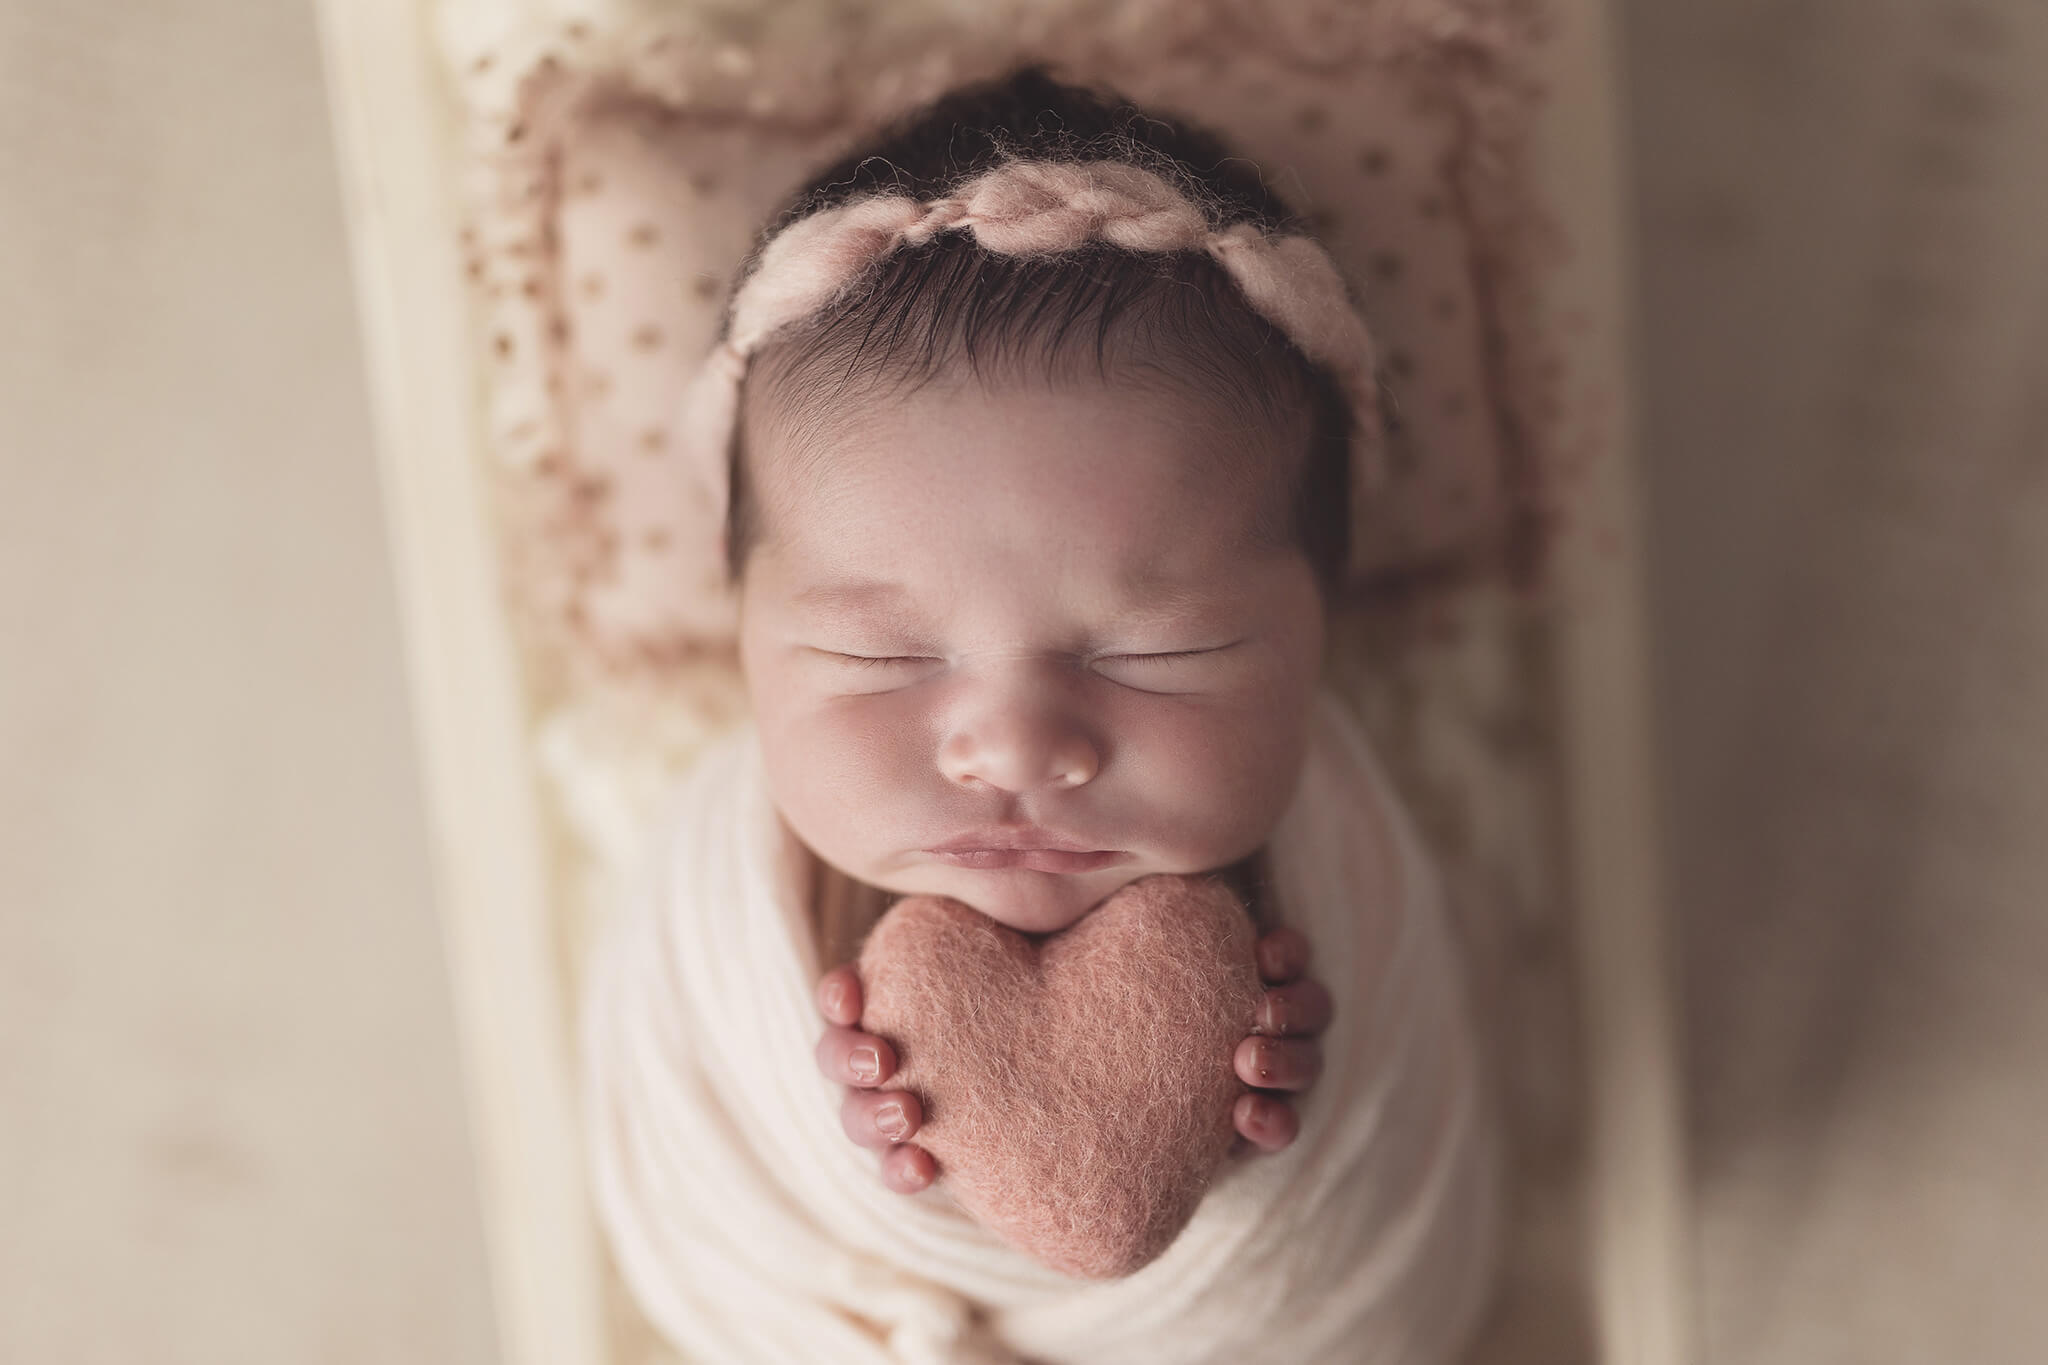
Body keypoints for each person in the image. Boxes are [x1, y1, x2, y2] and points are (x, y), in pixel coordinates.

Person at [585, 64, 1497, 1363]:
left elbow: (1368, 1163)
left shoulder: (1327, 884)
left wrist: (1246, 1103)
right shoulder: (733, 900)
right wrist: (840, 1104)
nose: (1012, 744)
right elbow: (702, 1109)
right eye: (879, 652)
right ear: (743, 632)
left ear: (1317, 629)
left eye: (1155, 647)